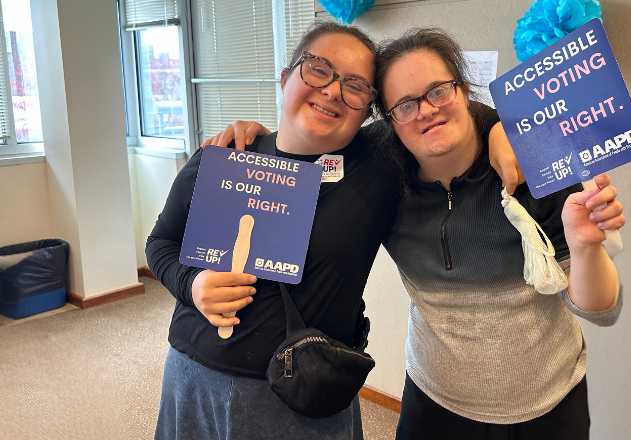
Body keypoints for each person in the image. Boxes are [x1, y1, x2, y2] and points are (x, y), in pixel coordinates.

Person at [214, 28, 625, 439]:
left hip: (547, 407)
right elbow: (310, 141)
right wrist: (258, 140)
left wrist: (586, 247)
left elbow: (601, 311)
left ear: (463, 91)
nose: (425, 111)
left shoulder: (533, 167)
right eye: (404, 105)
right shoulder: (381, 176)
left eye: (439, 92)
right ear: (390, 122)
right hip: (433, 404)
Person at [147, 22, 513, 440]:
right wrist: (191, 284)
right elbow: (161, 242)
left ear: (369, 110)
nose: (334, 90)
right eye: (318, 70)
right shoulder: (226, 157)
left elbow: (444, 110)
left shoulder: (378, 162)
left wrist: (500, 130)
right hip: (195, 378)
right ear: (286, 79)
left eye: (356, 86)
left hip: (306, 391)